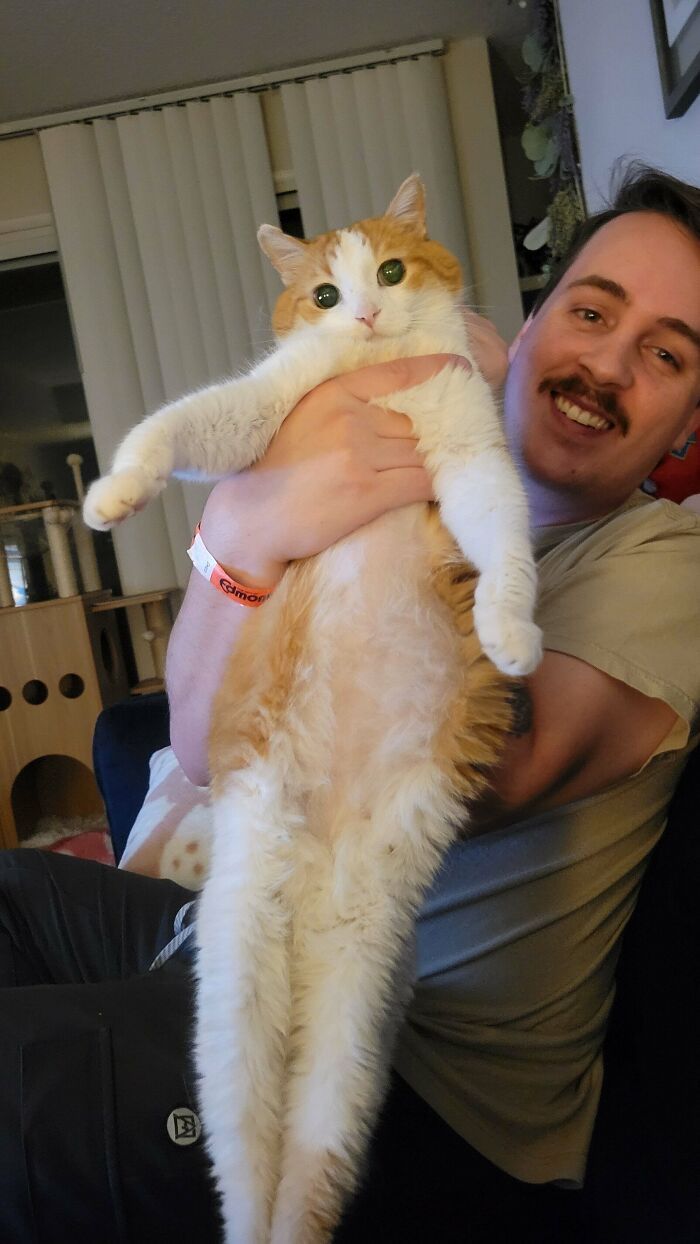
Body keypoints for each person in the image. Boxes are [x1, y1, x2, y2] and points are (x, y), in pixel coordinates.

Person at [2, 162, 699, 1244]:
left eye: (665, 353)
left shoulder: (668, 564)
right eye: (592, 311)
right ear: (529, 324)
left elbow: (471, 773)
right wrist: (238, 534)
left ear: (691, 412)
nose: (606, 362)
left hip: (417, 1071)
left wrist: (305, 514)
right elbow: (197, 742)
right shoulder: (391, 466)